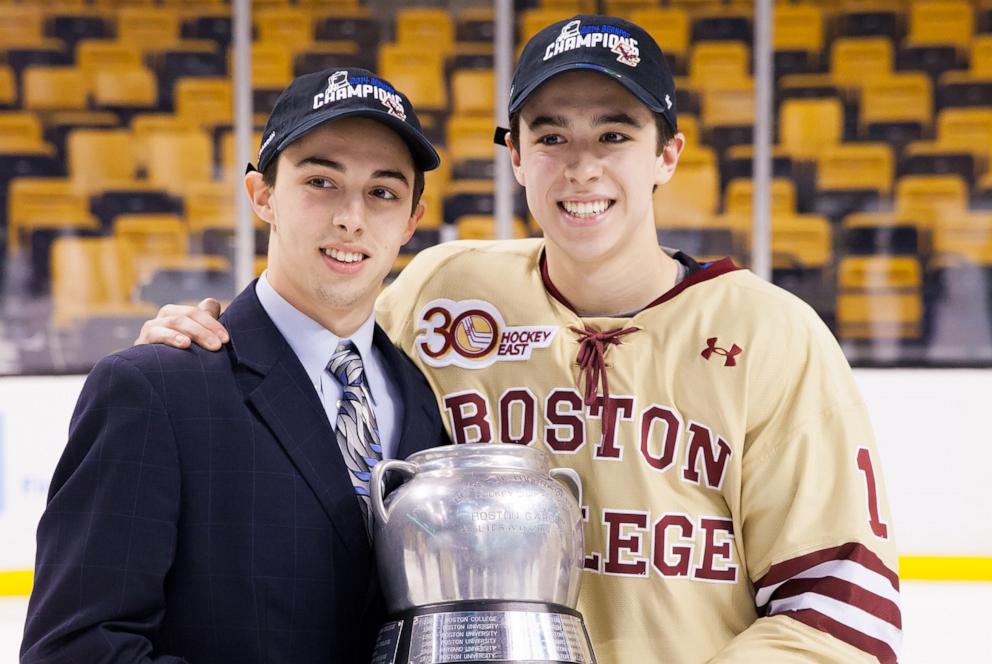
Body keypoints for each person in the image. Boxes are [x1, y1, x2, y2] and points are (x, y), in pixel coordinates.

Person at [136, 16, 901, 663]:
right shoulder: (445, 292)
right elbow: (315, 346)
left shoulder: (770, 334)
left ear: (666, 154)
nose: (582, 165)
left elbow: (845, 609)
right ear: (516, 157)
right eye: (551, 136)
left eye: (614, 133)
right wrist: (203, 337)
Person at [22, 67, 448, 664]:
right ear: (262, 196)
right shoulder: (154, 388)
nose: (352, 217)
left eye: (382, 192)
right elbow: (73, 649)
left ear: (410, 220)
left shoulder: (423, 398)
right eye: (321, 181)